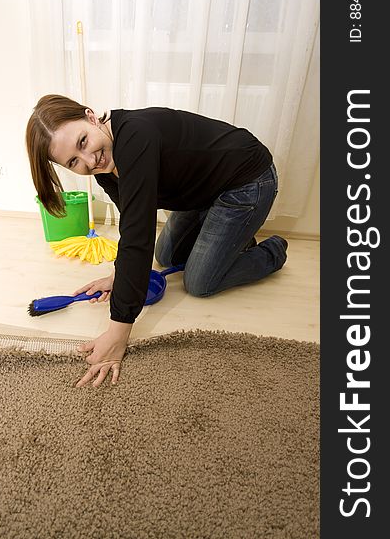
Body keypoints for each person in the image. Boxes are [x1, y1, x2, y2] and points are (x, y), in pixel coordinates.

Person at [25, 94, 288, 388]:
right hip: (202, 191)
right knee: (166, 255)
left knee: (199, 282)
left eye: (83, 142)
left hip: (247, 181)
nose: (89, 160)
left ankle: (272, 252)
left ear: (91, 117)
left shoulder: (136, 136)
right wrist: (118, 275)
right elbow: (132, 222)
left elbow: (139, 237)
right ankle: (234, 237)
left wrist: (118, 332)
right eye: (73, 161)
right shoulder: (104, 164)